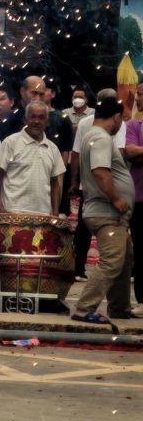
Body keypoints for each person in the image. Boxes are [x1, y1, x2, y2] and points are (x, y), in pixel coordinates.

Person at [73, 97, 141, 323]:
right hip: (107, 212)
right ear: (117, 117)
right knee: (112, 260)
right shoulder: (101, 137)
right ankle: (84, 308)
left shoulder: (91, 135)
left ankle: (119, 308)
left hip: (107, 212)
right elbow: (101, 171)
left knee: (124, 259)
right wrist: (117, 199)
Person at [69, 87, 125, 280]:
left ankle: (80, 269)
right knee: (108, 236)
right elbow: (105, 165)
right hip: (105, 189)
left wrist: (75, 180)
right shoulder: (104, 130)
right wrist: (116, 196)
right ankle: (98, 271)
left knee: (86, 229)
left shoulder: (88, 124)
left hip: (92, 186)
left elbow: (76, 154)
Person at [0, 102, 65, 217]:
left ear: (47, 122)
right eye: (32, 117)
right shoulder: (10, 142)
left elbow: (55, 183)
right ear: (25, 120)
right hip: (13, 213)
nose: (36, 121)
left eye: (41, 117)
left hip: (44, 215)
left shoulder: (53, 148)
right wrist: (0, 208)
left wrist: (55, 213)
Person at [122, 109, 143, 306]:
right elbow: (130, 152)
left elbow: (138, 152)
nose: (137, 98)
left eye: (140, 95)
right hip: (139, 198)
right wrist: (136, 153)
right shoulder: (134, 126)